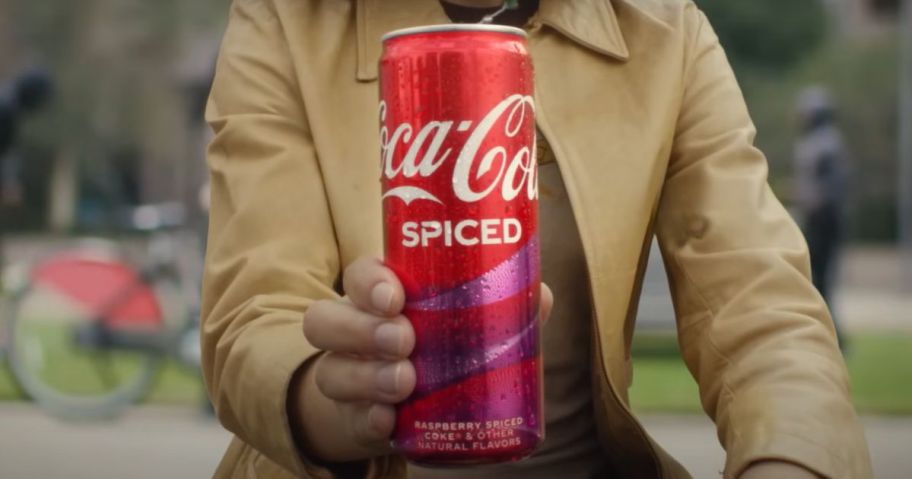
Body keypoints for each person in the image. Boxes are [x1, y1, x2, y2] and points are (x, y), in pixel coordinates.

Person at [201, 1, 872, 478]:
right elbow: (249, 319)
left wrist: (788, 459)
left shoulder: (669, 33)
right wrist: (332, 397)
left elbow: (763, 310)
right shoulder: (281, 20)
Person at [793, 86, 850, 350]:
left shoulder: (826, 144)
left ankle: (833, 338)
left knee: (821, 280)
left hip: (824, 221)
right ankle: (825, 335)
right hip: (818, 220)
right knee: (816, 281)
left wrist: (816, 203)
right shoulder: (820, 142)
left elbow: (833, 186)